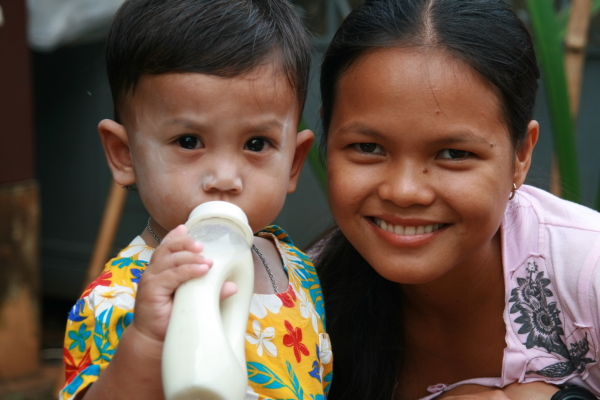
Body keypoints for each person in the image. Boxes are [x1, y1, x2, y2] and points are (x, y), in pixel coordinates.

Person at [312, 0, 600, 399]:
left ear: (521, 156)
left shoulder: (588, 273)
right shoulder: (299, 302)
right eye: (368, 147)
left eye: (453, 154)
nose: (405, 191)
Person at [60, 0, 333, 399]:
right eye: (189, 142)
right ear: (124, 155)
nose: (224, 178)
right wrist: (147, 340)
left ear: (293, 162)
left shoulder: (294, 267)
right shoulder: (119, 298)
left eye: (257, 143)